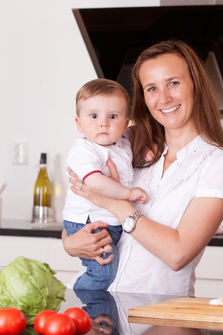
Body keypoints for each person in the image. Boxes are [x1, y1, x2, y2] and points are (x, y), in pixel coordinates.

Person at [62, 40, 223, 296]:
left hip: (157, 314)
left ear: (195, 85)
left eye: (174, 83)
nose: (164, 98)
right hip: (93, 301)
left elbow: (178, 254)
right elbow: (79, 203)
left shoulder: (219, 163)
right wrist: (70, 243)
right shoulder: (126, 141)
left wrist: (114, 203)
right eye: (152, 88)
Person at [64, 78, 147, 290]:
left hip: (108, 222)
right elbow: (95, 183)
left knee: (108, 271)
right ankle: (81, 305)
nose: (104, 123)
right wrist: (128, 193)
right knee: (103, 274)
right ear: (78, 123)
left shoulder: (120, 142)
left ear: (125, 123)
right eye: (93, 116)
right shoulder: (85, 150)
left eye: (113, 116)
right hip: (89, 222)